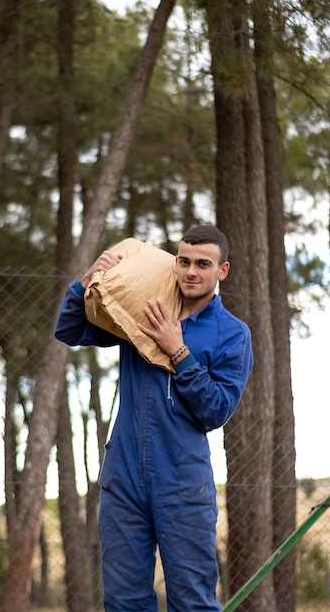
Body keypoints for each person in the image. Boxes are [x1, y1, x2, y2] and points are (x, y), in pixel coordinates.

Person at [55, 225, 253, 612]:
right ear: (175, 262)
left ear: (221, 271)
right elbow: (70, 329)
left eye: (203, 264)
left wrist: (178, 352)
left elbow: (215, 411)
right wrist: (83, 283)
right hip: (124, 478)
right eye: (184, 261)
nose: (191, 272)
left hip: (183, 484)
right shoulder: (146, 306)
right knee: (123, 601)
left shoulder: (232, 334)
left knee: (192, 601)